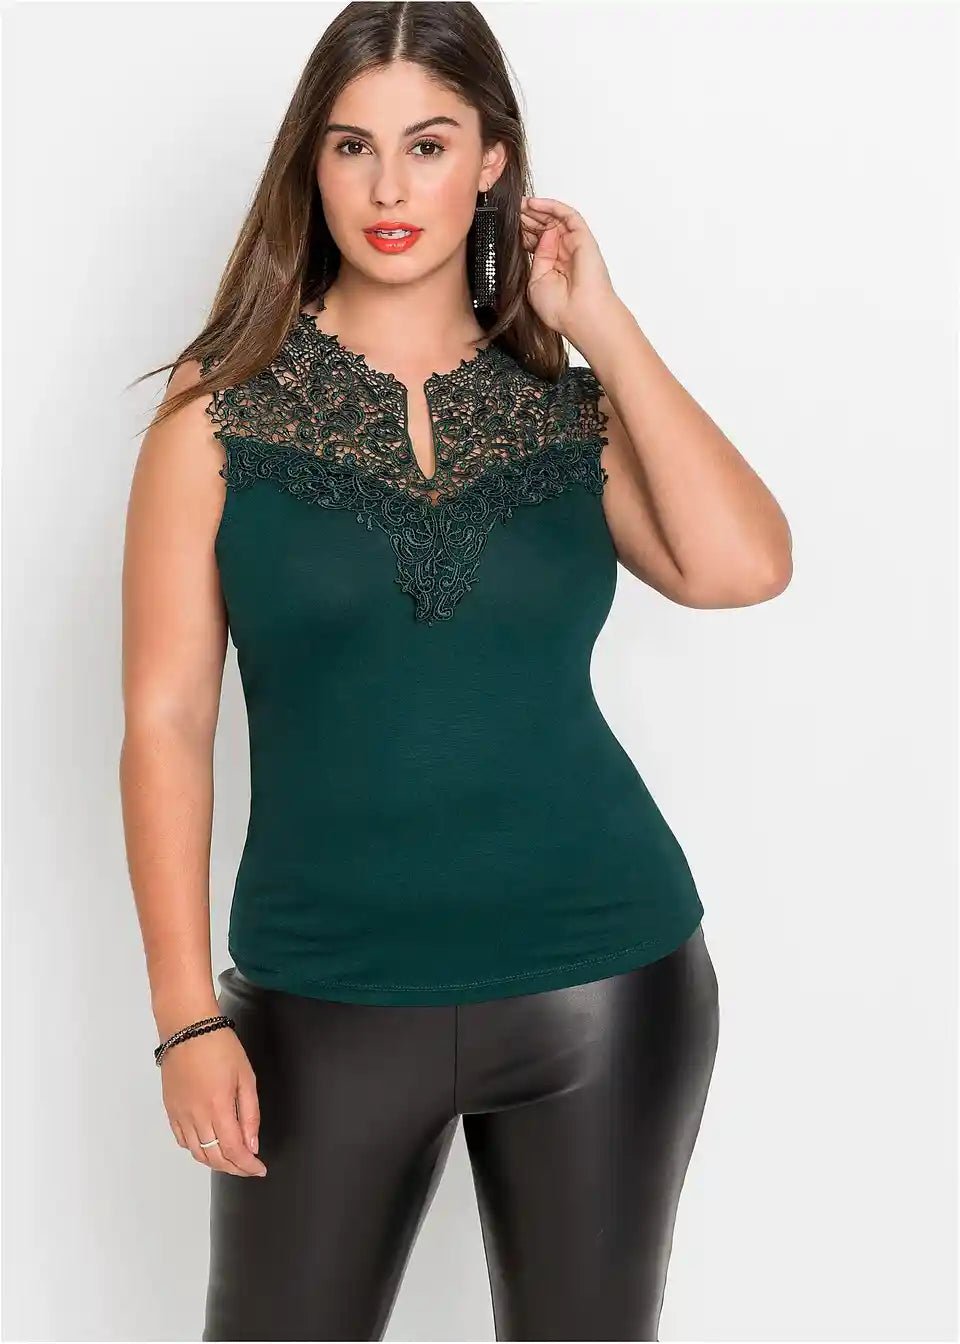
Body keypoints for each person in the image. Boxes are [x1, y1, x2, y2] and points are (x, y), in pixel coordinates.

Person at [120, 4, 791, 1339]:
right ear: (310, 165)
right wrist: (187, 1019)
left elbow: (742, 566)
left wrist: (603, 326)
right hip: (323, 996)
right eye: (351, 147)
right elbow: (166, 719)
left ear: (491, 162)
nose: (388, 188)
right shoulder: (220, 409)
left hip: (606, 979)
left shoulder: (561, 403)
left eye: (427, 146)